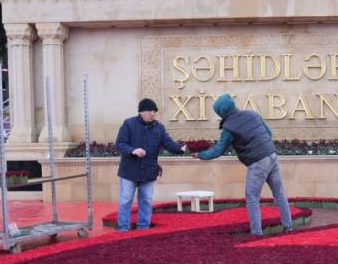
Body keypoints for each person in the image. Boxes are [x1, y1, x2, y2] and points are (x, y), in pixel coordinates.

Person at [195, 93, 292, 236]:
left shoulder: (229, 128)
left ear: (222, 112)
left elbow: (218, 150)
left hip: (257, 162)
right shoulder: (252, 114)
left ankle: (256, 233)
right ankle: (288, 226)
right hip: (272, 155)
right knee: (279, 193)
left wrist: (200, 155)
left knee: (252, 198)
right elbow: (269, 133)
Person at [115, 98, 186, 232]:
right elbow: (120, 144)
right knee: (125, 201)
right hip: (129, 172)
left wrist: (182, 149)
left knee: (146, 201)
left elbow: (169, 143)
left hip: (148, 172)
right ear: (141, 112)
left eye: (154, 111)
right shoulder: (128, 124)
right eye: (149, 111)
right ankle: (123, 228)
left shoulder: (159, 128)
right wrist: (133, 151)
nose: (152, 113)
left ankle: (144, 227)